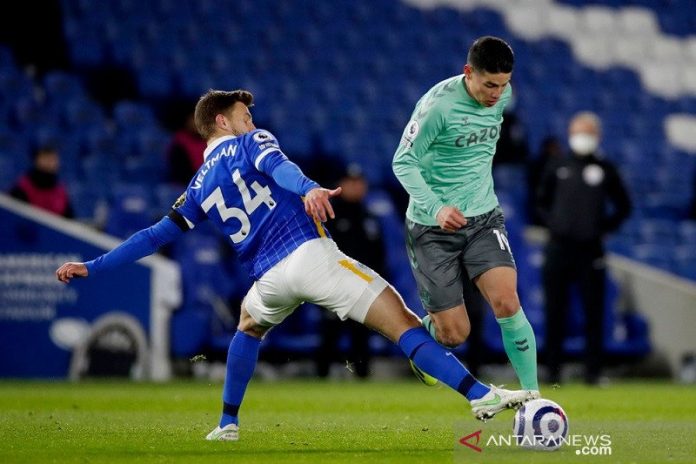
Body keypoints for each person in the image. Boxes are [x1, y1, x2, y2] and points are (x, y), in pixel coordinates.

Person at [56, 89, 535, 442]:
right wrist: (307, 187)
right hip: (309, 257)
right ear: (222, 121)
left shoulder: (198, 184)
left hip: (268, 277)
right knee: (404, 323)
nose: (251, 119)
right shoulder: (250, 142)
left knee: (247, 327)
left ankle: (226, 424)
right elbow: (278, 165)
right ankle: (479, 395)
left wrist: (93, 266)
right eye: (244, 114)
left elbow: (154, 236)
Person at [392, 36, 540, 395]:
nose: (496, 94)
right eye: (489, 84)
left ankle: (534, 396)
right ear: (467, 72)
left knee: (507, 301)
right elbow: (402, 162)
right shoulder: (437, 108)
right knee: (455, 333)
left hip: (483, 217)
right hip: (432, 226)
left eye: (503, 85)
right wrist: (437, 207)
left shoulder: (504, 95)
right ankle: (425, 339)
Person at [535, 111, 632, 385]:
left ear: (597, 136)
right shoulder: (557, 165)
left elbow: (624, 205)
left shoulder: (605, 168)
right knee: (555, 312)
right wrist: (553, 224)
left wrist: (603, 228)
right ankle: (552, 371)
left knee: (593, 313)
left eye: (587, 132)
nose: (582, 138)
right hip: (558, 249)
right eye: (577, 132)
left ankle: (593, 372)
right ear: (569, 133)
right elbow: (540, 201)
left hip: (591, 251)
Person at [316, 163, 384, 379]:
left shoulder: (369, 216)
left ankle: (363, 379)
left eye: (359, 182)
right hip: (334, 284)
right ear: (341, 184)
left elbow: (379, 255)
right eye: (351, 182)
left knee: (361, 335)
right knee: (330, 333)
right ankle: (321, 379)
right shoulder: (331, 214)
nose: (356, 186)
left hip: (363, 286)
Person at [9, 145, 74, 218]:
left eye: (53, 158)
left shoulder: (62, 191)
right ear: (37, 159)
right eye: (46, 157)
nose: (50, 162)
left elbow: (70, 222)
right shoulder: (22, 188)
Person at [167, 110, 207, 185]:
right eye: (193, 119)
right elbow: (179, 170)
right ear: (187, 121)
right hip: (187, 184)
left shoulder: (210, 139)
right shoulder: (179, 141)